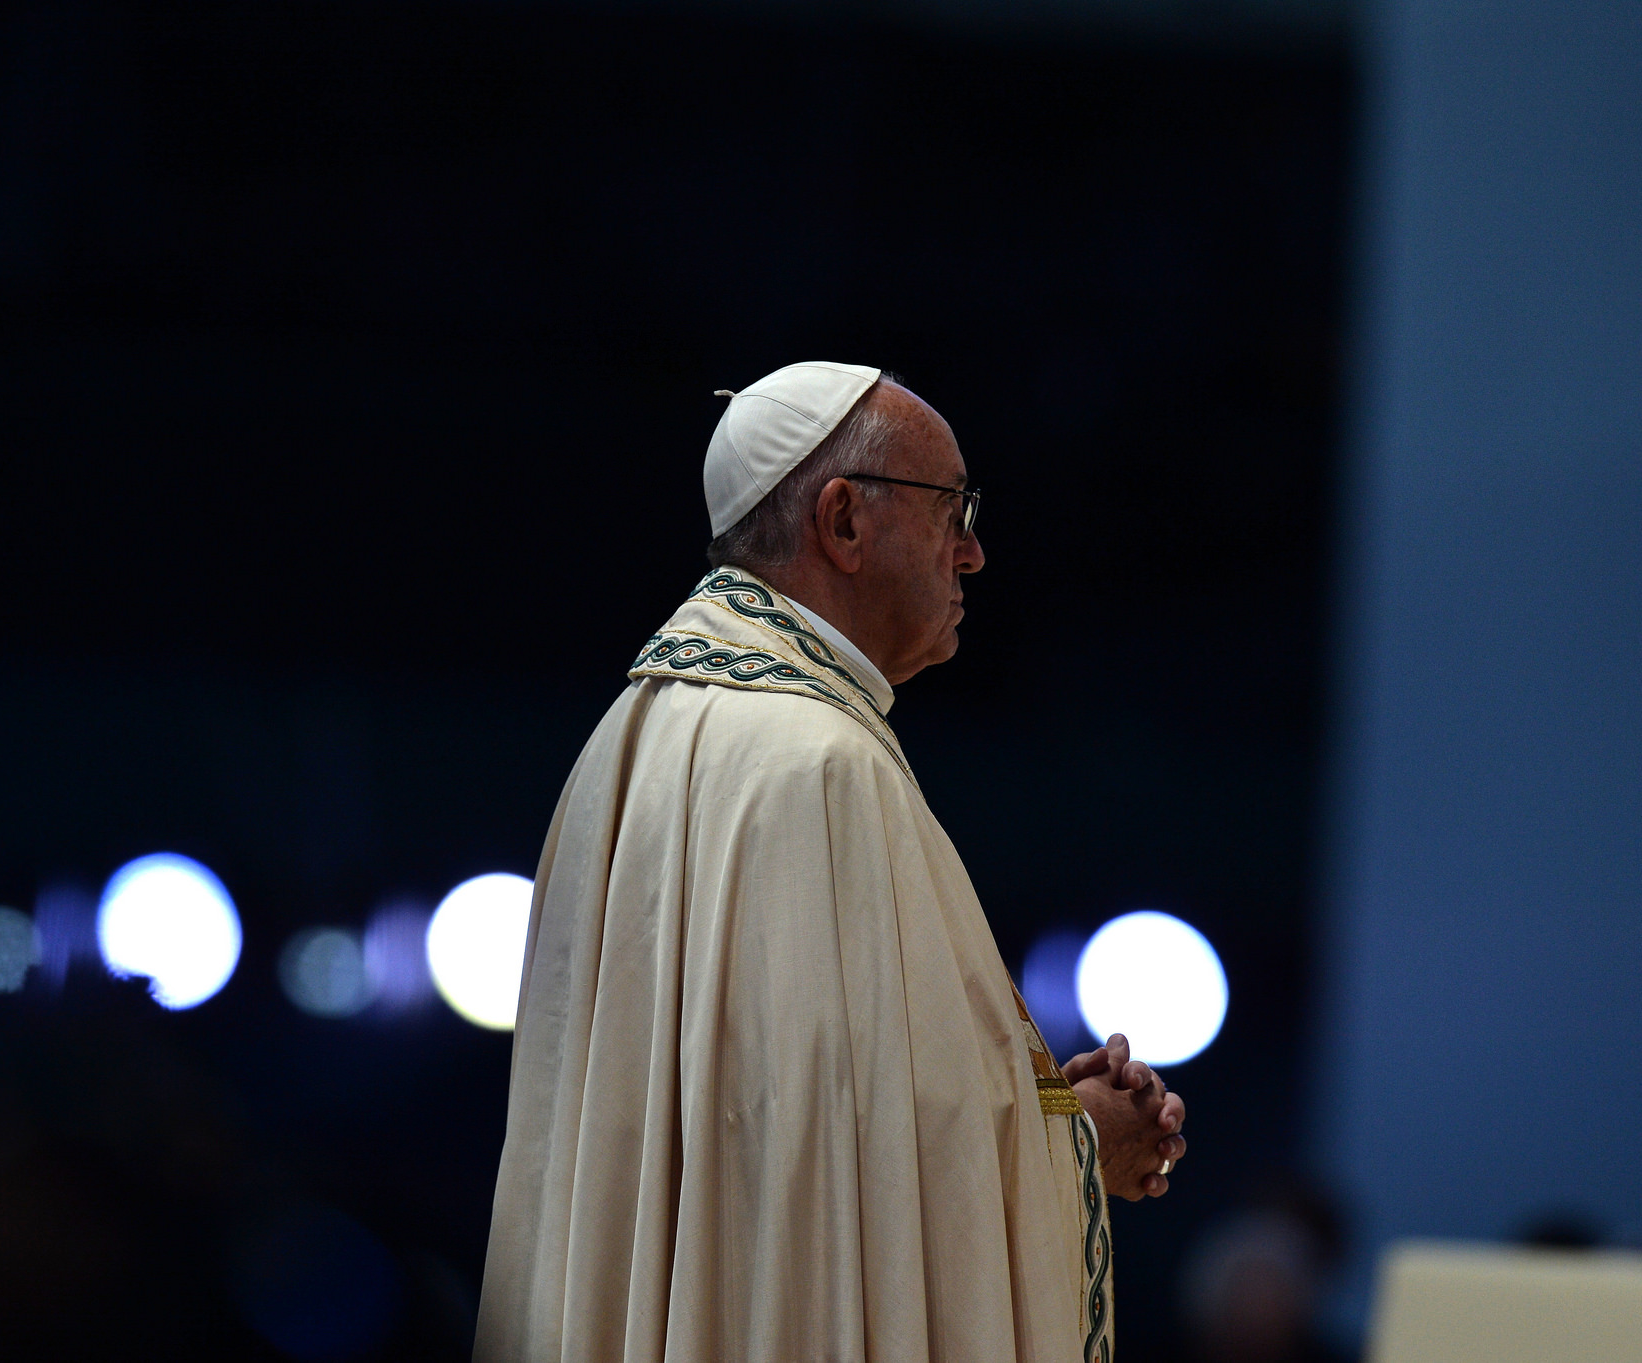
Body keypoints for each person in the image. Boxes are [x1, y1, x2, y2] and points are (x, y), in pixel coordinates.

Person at [475, 362, 1188, 1362]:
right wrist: (1077, 1142)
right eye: (953, 509)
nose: (973, 553)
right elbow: (847, 1169)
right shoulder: (819, 764)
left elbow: (790, 1121)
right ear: (844, 520)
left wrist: (1040, 1114)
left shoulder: (632, 738)